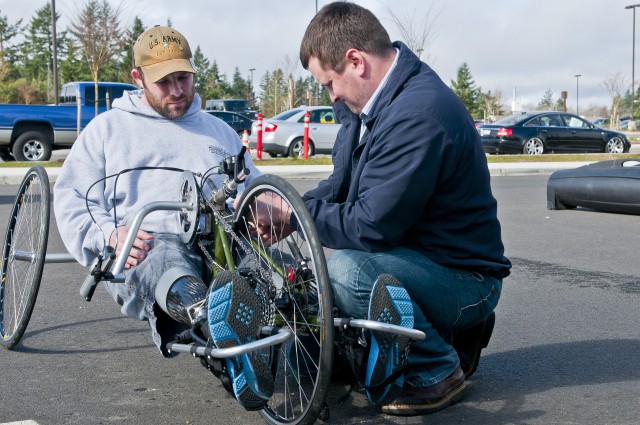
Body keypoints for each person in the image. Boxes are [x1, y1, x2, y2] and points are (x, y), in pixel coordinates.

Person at [296, 2, 512, 416]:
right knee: (323, 273)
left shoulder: (417, 113)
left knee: (344, 272)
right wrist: (292, 204)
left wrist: (294, 218)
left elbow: (370, 226)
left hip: (464, 279)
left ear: (355, 61)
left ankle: (437, 369)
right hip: (419, 261)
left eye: (328, 83)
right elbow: (342, 188)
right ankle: (443, 336)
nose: (332, 95)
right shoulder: (372, 108)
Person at [53, 25, 274, 410]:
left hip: (219, 240)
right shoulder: (107, 130)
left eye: (183, 78)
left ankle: (329, 342)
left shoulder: (219, 131)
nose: (177, 90)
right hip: (149, 244)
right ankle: (214, 323)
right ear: (138, 78)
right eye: (164, 81)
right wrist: (109, 233)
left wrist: (266, 209)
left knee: (268, 270)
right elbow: (72, 196)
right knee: (163, 258)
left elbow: (255, 187)